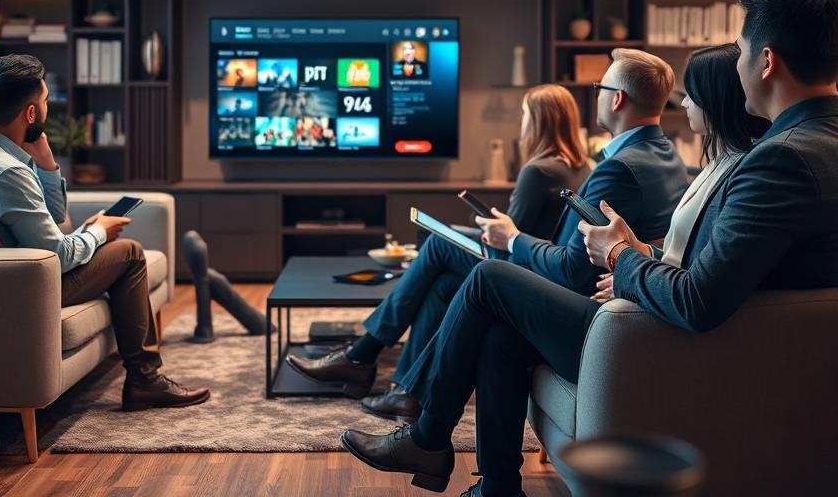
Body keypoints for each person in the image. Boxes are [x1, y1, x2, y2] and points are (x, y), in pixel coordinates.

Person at [339, 0, 838, 497]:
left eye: (740, 51)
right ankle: (494, 486)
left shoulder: (778, 160)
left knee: (489, 277)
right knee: (499, 332)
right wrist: (642, 255)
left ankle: (425, 434)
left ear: (766, 61)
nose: (736, 68)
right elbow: (721, 265)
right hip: (694, 330)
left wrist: (620, 256)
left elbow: (698, 301)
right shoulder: (807, 143)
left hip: (662, 341)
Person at [288, 62, 688, 422]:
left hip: (559, 286)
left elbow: (565, 265)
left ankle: (365, 357)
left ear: (616, 99)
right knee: (444, 281)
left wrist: (510, 236)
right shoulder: (662, 157)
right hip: (585, 279)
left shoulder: (608, 169)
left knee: (439, 246)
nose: (596, 94)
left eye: (600, 88)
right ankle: (405, 390)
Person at [0, 55, 210, 412]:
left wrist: (46, 163)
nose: (47, 107)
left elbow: (55, 218)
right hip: (28, 287)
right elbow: (60, 254)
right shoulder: (7, 172)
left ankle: (142, 375)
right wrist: (99, 232)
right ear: (30, 114)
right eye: (45, 101)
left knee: (112, 247)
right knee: (130, 253)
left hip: (12, 276)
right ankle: (144, 380)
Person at [592, 43, 768, 303]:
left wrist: (619, 256)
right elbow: (684, 259)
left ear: (714, 97)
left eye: (692, 94)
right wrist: (640, 250)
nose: (683, 102)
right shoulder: (719, 163)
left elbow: (698, 285)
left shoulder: (740, 171)